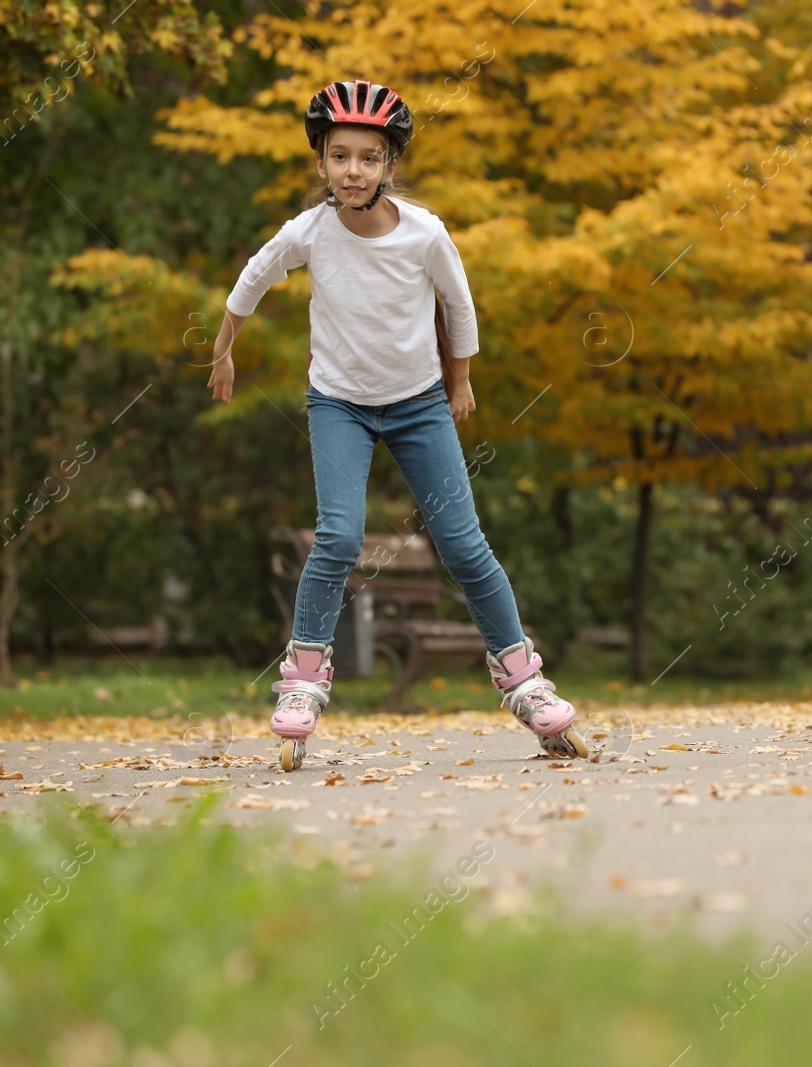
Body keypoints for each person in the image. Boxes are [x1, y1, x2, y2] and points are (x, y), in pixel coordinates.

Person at [207, 79, 585, 771]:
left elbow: (459, 303)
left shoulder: (424, 232)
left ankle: (525, 680)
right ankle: (301, 679)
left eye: (370, 157)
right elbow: (254, 277)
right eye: (340, 155)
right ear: (321, 163)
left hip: (418, 403)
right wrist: (224, 347)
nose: (354, 170)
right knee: (339, 536)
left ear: (391, 165)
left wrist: (461, 379)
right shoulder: (310, 232)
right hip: (338, 403)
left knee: (464, 545)